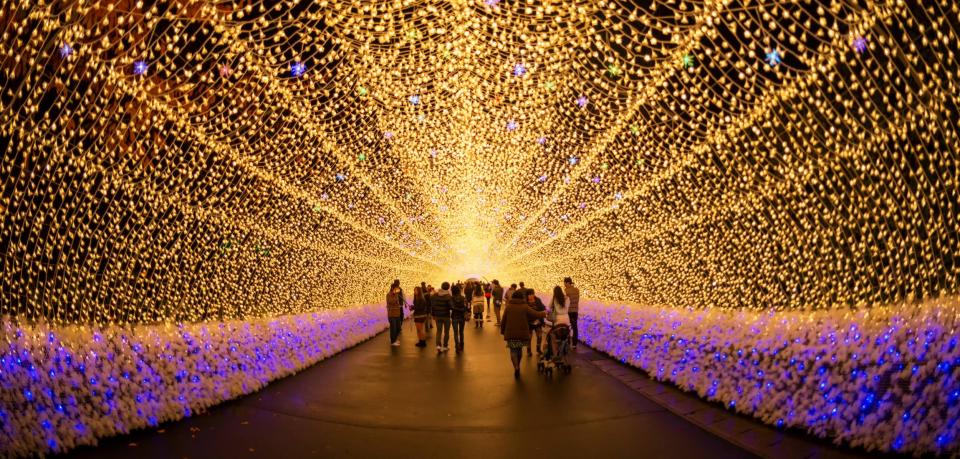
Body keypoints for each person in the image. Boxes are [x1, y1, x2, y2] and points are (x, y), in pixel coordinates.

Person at [500, 289, 547, 378]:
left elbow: (504, 320)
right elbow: (535, 314)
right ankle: (518, 364)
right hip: (522, 333)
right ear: (522, 298)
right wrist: (544, 313)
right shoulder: (525, 306)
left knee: (513, 351)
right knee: (519, 350)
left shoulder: (508, 307)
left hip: (511, 333)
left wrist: (502, 331)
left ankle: (516, 367)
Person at [545, 285, 570, 353]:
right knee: (564, 335)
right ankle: (564, 349)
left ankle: (555, 351)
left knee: (553, 335)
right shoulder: (567, 298)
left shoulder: (554, 298)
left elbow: (548, 308)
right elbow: (567, 307)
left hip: (558, 319)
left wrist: (547, 312)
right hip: (566, 319)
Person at [431, 282, 453, 352]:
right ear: (448, 287)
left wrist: (433, 314)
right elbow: (451, 306)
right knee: (446, 332)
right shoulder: (448, 296)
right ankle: (445, 346)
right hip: (446, 316)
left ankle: (438, 345)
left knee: (439, 331)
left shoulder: (435, 295)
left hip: (438, 316)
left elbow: (433, 306)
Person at [526, 288, 546, 356]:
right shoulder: (525, 302)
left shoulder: (538, 300)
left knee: (539, 336)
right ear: (527, 295)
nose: (531, 296)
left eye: (532, 294)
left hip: (538, 321)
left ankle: (538, 349)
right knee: (529, 337)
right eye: (529, 295)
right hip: (529, 322)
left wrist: (544, 311)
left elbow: (543, 307)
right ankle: (528, 350)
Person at [450, 284, 468, 353]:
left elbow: (451, 307)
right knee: (461, 332)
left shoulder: (451, 298)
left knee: (455, 332)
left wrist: (456, 309)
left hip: (454, 316)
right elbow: (466, 307)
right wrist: (462, 310)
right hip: (462, 317)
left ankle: (457, 347)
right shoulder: (463, 298)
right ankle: (462, 345)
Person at [563, 277, 580, 348]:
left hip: (569, 311)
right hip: (575, 311)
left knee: (567, 326)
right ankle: (574, 344)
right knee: (575, 327)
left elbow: (565, 301)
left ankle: (568, 342)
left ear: (568, 283)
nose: (564, 284)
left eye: (564, 282)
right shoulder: (577, 290)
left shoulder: (566, 291)